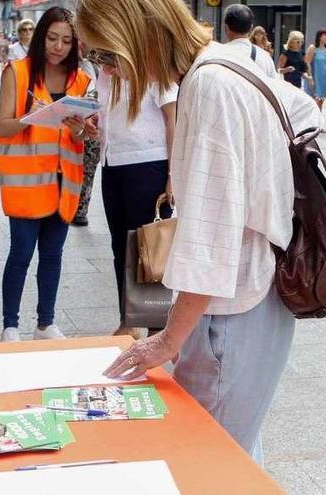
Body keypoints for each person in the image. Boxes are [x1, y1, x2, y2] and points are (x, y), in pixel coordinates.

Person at [75, 0, 321, 465]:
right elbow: (306, 112)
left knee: (208, 460)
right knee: (236, 448)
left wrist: (168, 339)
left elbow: (211, 238)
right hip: (259, 290)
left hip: (233, 306)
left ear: (134, 36)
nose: (108, 71)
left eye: (106, 56)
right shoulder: (226, 61)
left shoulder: (206, 85)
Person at [0, 7, 96, 342]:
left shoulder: (80, 80)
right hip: (27, 183)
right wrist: (32, 117)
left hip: (63, 183)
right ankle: (10, 325)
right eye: (52, 38)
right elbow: (3, 126)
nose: (58, 46)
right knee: (21, 254)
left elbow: (80, 136)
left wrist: (80, 129)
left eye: (66, 41)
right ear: (40, 37)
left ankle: (45, 323)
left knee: (53, 255)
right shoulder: (18, 72)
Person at [86, 45, 178, 340]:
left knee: (149, 248)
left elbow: (172, 119)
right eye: (99, 60)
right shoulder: (104, 74)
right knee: (121, 247)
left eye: (108, 59)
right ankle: (128, 321)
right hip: (112, 162)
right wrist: (93, 125)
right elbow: (111, 116)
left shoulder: (151, 65)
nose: (105, 67)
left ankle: (155, 326)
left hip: (149, 163)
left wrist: (173, 175)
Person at [73, 42, 101, 227]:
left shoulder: (99, 64)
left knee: (88, 168)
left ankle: (81, 210)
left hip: (93, 122)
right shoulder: (62, 67)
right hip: (72, 123)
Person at [223, 5, 276, 79]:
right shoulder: (265, 57)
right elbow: (273, 85)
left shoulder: (216, 55)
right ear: (251, 28)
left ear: (226, 27)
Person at [304, 28, 326, 112]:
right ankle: (315, 120)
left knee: (321, 100)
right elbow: (307, 62)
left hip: (325, 78)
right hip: (316, 77)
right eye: (325, 35)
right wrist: (310, 76)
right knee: (315, 101)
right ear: (319, 36)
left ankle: (318, 120)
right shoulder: (313, 48)